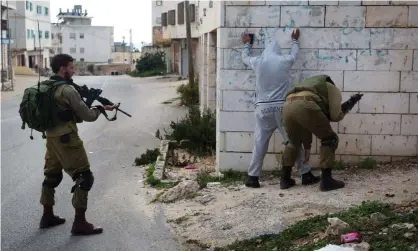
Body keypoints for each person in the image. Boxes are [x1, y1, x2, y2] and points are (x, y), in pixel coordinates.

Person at [39, 54, 116, 235]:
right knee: (84, 177)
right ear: (62, 68)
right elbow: (87, 116)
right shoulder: (67, 90)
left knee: (51, 176)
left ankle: (47, 216)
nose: (74, 71)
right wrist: (101, 109)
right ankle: (80, 223)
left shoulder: (45, 86)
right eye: (72, 68)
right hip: (67, 139)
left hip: (51, 138)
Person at [241, 28, 320, 189]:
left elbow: (244, 58)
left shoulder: (258, 62)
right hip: (282, 108)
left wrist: (247, 44)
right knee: (292, 142)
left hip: (262, 109)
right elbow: (294, 54)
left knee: (259, 143)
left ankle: (253, 177)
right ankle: (305, 174)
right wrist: (295, 40)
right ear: (277, 51)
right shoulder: (283, 60)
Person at [281, 74, 349, 192]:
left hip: (287, 105)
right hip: (306, 104)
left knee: (293, 141)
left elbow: (306, 124)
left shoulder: (308, 85)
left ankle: (285, 179)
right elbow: (335, 116)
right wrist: (348, 106)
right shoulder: (333, 89)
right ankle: (327, 181)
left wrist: (308, 147)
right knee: (330, 138)